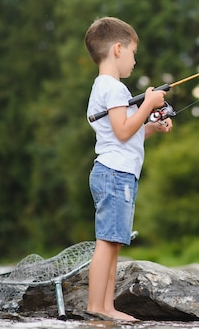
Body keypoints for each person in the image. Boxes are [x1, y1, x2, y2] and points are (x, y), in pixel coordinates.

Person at [84, 16, 172, 321]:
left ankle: (107, 307)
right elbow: (123, 132)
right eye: (134, 53)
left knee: (113, 242)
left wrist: (151, 126)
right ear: (118, 49)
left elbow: (126, 133)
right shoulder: (114, 89)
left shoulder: (106, 87)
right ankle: (97, 307)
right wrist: (148, 105)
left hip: (116, 172)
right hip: (114, 174)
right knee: (107, 242)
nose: (135, 60)